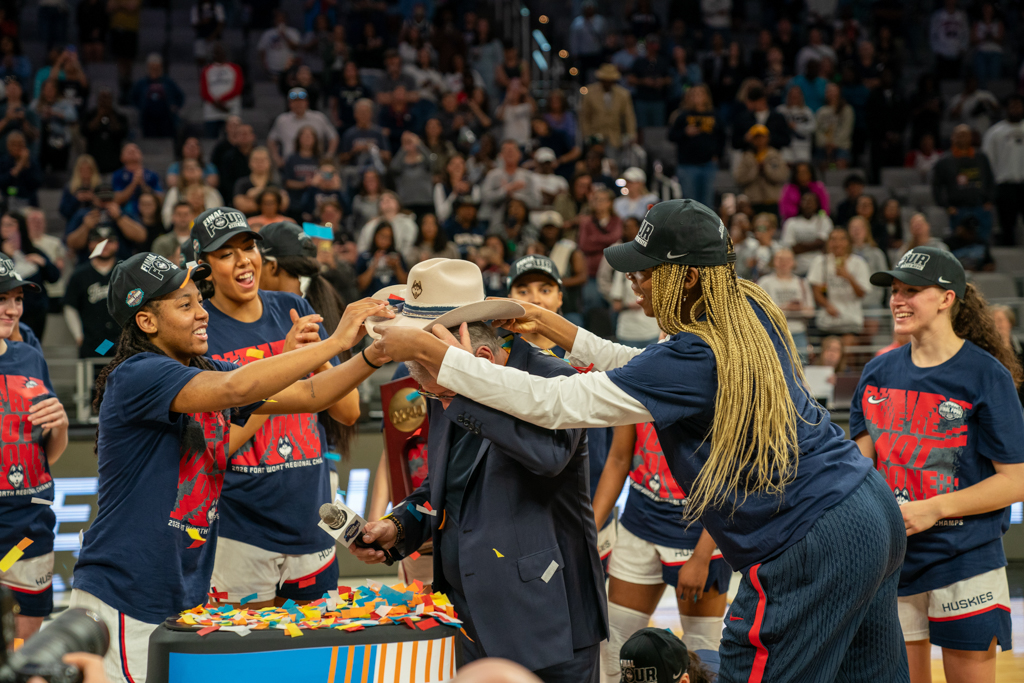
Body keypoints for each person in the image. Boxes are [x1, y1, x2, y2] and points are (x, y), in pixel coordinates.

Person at [373, 198, 909, 681]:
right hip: (867, 509)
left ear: (689, 277)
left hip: (809, 537)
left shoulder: (695, 354)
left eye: (646, 271)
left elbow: (558, 403)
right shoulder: (743, 311)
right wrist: (552, 324)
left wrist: (444, 361)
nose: (633, 280)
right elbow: (644, 365)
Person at [70, 250, 391, 682]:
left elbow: (311, 394)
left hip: (182, 591)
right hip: (129, 595)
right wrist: (335, 342)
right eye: (185, 305)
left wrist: (375, 355)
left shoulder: (204, 369)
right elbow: (237, 387)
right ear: (146, 321)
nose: (202, 312)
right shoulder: (137, 374)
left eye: (198, 300)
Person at [352, 258, 608, 680]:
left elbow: (548, 459)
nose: (434, 400)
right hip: (466, 619)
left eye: (438, 389)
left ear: (481, 357)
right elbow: (445, 484)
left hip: (547, 626)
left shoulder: (558, 380)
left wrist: (465, 387)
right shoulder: (441, 385)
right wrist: (399, 527)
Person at [853, 247, 1024, 683]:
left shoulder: (987, 375)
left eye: (911, 290)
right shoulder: (876, 373)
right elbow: (858, 472)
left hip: (966, 559)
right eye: (895, 290)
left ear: (948, 298)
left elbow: (1015, 481)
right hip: (893, 560)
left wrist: (934, 508)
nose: (897, 300)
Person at [187, 210, 356, 609]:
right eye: (225, 254)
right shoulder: (200, 330)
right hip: (241, 533)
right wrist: (281, 363)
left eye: (248, 247)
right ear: (204, 267)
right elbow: (218, 445)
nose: (243, 260)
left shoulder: (292, 306)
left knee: (315, 649)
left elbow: (348, 413)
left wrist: (316, 356)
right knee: (245, 649)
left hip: (312, 522)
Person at [0, 253, 68, 639]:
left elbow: (46, 457)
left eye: (17, 299)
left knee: (23, 653)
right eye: (1, 300)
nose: (12, 310)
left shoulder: (29, 356)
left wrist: (60, 424)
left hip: (29, 529)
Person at [933, 124, 996, 242]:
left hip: (980, 207)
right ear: (952, 137)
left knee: (983, 242)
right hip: (958, 209)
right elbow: (936, 187)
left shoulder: (981, 157)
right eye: (959, 135)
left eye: (965, 135)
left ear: (971, 137)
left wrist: (989, 201)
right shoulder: (944, 161)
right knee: (959, 242)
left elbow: (990, 180)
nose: (962, 138)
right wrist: (946, 206)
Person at [808, 227, 871, 346]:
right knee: (829, 351)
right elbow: (816, 291)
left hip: (851, 320)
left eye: (842, 239)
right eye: (833, 239)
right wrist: (827, 305)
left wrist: (848, 277)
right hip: (827, 321)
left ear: (848, 242)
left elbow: (861, 293)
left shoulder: (859, 263)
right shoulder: (820, 262)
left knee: (847, 350)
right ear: (828, 242)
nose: (837, 243)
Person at [64, 226, 119, 361]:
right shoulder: (80, 275)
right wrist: (78, 336)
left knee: (125, 373)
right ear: (90, 245)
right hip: (94, 343)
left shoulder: (127, 273)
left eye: (109, 241)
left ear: (116, 244)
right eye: (99, 241)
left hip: (124, 342)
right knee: (97, 372)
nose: (104, 245)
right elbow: (70, 306)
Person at [1, 212, 59, 338]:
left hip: (35, 311)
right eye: (3, 225)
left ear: (21, 226)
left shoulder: (33, 250)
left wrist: (44, 263)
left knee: (31, 345)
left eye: (10, 224)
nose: (5, 228)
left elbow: (54, 277)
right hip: (5, 313)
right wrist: (8, 257)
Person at [757, 248, 815, 363]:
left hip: (798, 332)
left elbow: (811, 311)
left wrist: (798, 309)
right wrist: (786, 308)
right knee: (774, 365)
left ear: (793, 262)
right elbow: (760, 310)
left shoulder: (802, 283)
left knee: (800, 366)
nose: (784, 263)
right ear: (773, 261)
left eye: (787, 259)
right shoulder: (764, 282)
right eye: (780, 259)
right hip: (773, 332)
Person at [669, 85, 722, 210]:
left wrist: (718, 155)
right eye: (694, 94)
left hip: (708, 164)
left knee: (707, 204)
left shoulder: (714, 115)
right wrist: (685, 132)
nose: (697, 97)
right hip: (687, 165)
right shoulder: (682, 116)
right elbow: (671, 136)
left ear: (707, 96)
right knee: (689, 203)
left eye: (700, 93)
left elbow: (721, 137)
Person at [981, 94, 1024, 246]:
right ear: (1006, 109)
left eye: (1018, 106)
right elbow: (987, 161)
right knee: (1007, 226)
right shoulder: (995, 132)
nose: (1015, 109)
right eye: (1012, 106)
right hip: (1005, 185)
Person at [268, 87, 337, 168]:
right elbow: (271, 140)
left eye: (301, 101)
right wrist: (277, 158)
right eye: (294, 101)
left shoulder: (319, 118)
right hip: (288, 165)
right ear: (289, 104)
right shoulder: (282, 120)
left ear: (307, 102)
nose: (298, 104)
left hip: (315, 163)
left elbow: (333, 137)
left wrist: (329, 156)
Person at [580, 64, 637, 163]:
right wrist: (587, 136)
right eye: (605, 80)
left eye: (610, 80)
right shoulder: (589, 93)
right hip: (595, 137)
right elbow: (584, 117)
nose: (608, 82)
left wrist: (631, 135)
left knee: (614, 164)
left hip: (615, 137)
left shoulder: (623, 94)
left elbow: (629, 117)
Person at [734, 124, 789, 215]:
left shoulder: (775, 155)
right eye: (756, 137)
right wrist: (755, 170)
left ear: (767, 138)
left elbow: (782, 176)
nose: (759, 140)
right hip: (753, 201)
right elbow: (739, 178)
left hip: (772, 200)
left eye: (762, 137)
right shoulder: (746, 156)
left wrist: (766, 169)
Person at [130, 54, 184, 138]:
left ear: (161, 68)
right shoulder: (141, 83)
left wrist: (175, 106)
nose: (154, 70)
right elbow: (132, 97)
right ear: (148, 68)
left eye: (157, 68)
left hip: (166, 119)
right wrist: (140, 107)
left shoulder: (168, 82)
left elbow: (180, 96)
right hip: (147, 119)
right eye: (152, 68)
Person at [161, 160, 223, 229]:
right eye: (188, 167)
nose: (192, 170)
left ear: (202, 171)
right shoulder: (174, 192)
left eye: (196, 167)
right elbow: (167, 219)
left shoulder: (212, 192)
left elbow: (218, 218)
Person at [199, 43, 242, 139]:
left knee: (233, 140)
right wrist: (216, 103)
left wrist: (221, 100)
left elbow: (237, 88)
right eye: (216, 52)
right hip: (211, 113)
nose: (218, 54)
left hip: (231, 110)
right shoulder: (207, 70)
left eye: (220, 52)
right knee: (210, 141)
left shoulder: (235, 68)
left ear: (225, 53)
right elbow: (204, 92)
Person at [81, 89, 129, 174]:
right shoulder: (89, 115)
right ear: (98, 99)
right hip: (94, 162)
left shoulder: (120, 117)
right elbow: (84, 131)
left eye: (107, 98)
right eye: (102, 98)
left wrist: (111, 115)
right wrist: (99, 116)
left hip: (114, 162)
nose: (104, 101)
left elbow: (123, 133)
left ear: (112, 100)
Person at [231, 146, 287, 218]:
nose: (259, 163)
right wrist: (271, 203)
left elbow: (284, 204)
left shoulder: (276, 184)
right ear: (249, 162)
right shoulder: (241, 183)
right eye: (256, 160)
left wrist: (253, 195)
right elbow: (240, 205)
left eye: (263, 160)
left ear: (270, 162)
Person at [357, 191, 418, 255]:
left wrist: (399, 258)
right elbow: (362, 246)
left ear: (398, 204)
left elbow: (409, 245)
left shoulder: (407, 223)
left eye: (391, 198)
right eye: (382, 200)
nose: (386, 200)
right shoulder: (371, 224)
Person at [356, 223, 408, 297]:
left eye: (388, 237)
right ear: (375, 236)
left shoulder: (397, 256)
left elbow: (405, 284)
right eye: (382, 236)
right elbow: (361, 286)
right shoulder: (365, 256)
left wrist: (397, 267)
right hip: (372, 298)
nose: (384, 240)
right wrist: (374, 264)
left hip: (395, 298)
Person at [848, 216, 889, 309]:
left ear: (867, 230)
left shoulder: (877, 253)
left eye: (860, 227)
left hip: (873, 302)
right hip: (850, 303)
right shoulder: (846, 255)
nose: (856, 230)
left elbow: (886, 280)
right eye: (853, 227)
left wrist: (886, 302)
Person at [111, 143, 163, 216]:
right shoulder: (118, 175)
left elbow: (160, 199)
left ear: (141, 155)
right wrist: (134, 183)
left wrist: (143, 184)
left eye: (136, 149)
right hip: (125, 214)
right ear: (122, 157)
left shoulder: (152, 175)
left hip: (149, 214)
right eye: (128, 150)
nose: (132, 151)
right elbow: (116, 200)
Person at [815, 83, 854, 170]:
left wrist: (834, 143)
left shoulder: (847, 109)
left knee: (840, 166)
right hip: (824, 147)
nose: (831, 93)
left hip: (842, 146)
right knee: (823, 168)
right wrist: (825, 143)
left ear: (839, 92)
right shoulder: (821, 111)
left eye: (833, 91)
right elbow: (818, 130)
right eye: (829, 91)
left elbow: (846, 130)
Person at [777, 87, 816, 164]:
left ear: (801, 97)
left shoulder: (807, 111)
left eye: (796, 95)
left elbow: (812, 127)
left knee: (802, 167)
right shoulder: (780, 110)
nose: (794, 97)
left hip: (803, 146)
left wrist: (796, 127)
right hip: (785, 147)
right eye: (792, 95)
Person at [60, 154, 102, 222]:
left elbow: (106, 209)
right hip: (75, 221)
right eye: (82, 170)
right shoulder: (70, 187)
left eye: (88, 169)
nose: (85, 173)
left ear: (93, 170)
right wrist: (76, 199)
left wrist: (93, 198)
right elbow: (64, 212)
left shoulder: (100, 187)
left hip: (96, 219)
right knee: (81, 214)